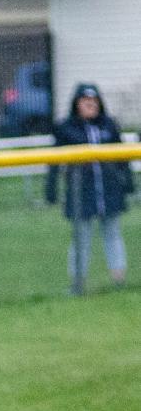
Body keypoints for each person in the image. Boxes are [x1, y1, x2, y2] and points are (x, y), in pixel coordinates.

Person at [45, 83, 132, 295]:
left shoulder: (108, 125)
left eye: (94, 101)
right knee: (81, 238)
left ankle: (119, 281)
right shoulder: (66, 128)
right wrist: (51, 188)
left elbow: (122, 157)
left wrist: (128, 183)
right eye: (85, 101)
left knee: (112, 234)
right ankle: (78, 283)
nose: (90, 105)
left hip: (108, 190)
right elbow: (54, 162)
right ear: (77, 104)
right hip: (81, 193)